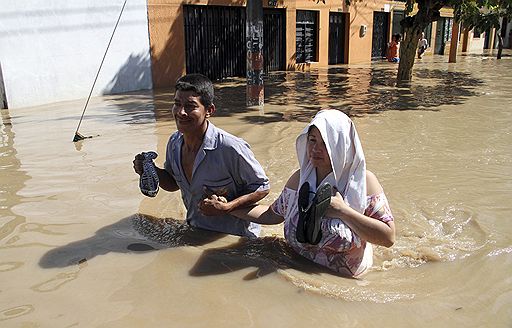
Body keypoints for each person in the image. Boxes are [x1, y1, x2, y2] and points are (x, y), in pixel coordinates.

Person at [202, 110, 395, 277]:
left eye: (325, 143)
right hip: (296, 268)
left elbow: (388, 238)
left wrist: (343, 211)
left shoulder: (363, 182)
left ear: (340, 145)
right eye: (312, 140)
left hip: (345, 281)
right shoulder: (300, 179)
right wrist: (228, 208)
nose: (315, 149)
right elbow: (272, 214)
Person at [133, 73, 270, 238]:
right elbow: (174, 184)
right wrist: (150, 170)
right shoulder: (174, 142)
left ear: (209, 110)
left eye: (190, 106)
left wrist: (228, 207)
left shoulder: (230, 147)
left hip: (235, 237)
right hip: (195, 230)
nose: (181, 112)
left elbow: (262, 188)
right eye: (177, 104)